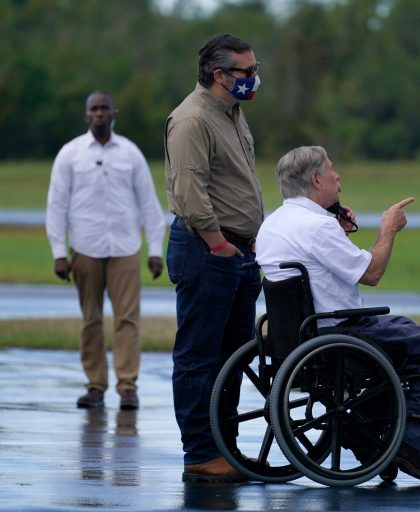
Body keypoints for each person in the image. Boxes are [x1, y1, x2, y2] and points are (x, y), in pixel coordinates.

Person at [255, 145, 420, 485]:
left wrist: (340, 231)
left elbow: (316, 265)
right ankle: (409, 442)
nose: (338, 175)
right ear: (316, 180)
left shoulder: (272, 224)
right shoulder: (318, 226)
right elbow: (371, 273)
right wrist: (388, 229)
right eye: (332, 170)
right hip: (338, 332)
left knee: (403, 328)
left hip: (295, 336)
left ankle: (367, 435)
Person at [163, 34, 264, 483]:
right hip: (207, 249)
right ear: (220, 75)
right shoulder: (193, 119)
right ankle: (201, 453)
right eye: (247, 71)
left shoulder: (233, 114)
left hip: (237, 250)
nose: (254, 78)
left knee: (232, 358)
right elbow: (189, 190)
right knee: (199, 356)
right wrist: (219, 244)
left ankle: (226, 449)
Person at [46, 91, 165, 411]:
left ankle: (127, 386)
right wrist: (59, 252)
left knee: (128, 319)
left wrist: (155, 250)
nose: (99, 113)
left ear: (114, 113)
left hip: (125, 247)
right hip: (85, 247)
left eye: (104, 108)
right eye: (94, 109)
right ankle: (95, 386)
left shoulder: (130, 153)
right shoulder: (70, 154)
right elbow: (56, 205)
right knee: (91, 320)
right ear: (86, 116)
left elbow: (149, 204)